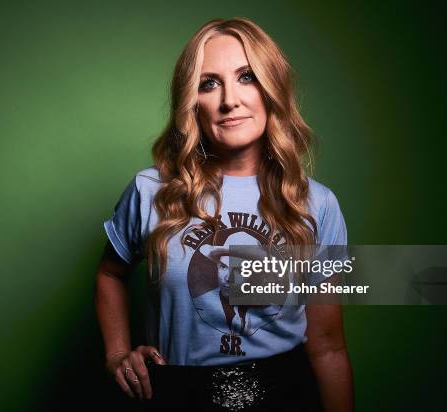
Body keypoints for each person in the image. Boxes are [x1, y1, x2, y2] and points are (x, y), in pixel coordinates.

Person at [94, 17, 354, 411]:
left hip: (284, 392)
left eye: (246, 76)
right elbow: (110, 274)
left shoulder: (317, 204)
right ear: (192, 102)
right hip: (176, 394)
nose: (229, 99)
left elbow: (329, 348)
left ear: (271, 89)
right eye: (209, 83)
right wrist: (116, 354)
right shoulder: (151, 191)